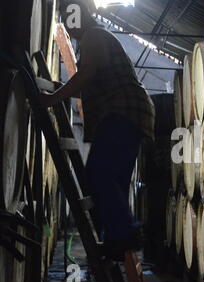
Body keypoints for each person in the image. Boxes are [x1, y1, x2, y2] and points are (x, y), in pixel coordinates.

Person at [39, 1, 155, 261]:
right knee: (114, 181)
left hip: (122, 110)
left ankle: (126, 232)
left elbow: (87, 75)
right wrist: (60, 89)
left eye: (71, 17)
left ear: (82, 15)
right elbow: (90, 83)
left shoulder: (94, 36)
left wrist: (52, 98)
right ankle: (117, 240)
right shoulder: (96, 38)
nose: (69, 24)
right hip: (132, 112)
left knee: (97, 173)